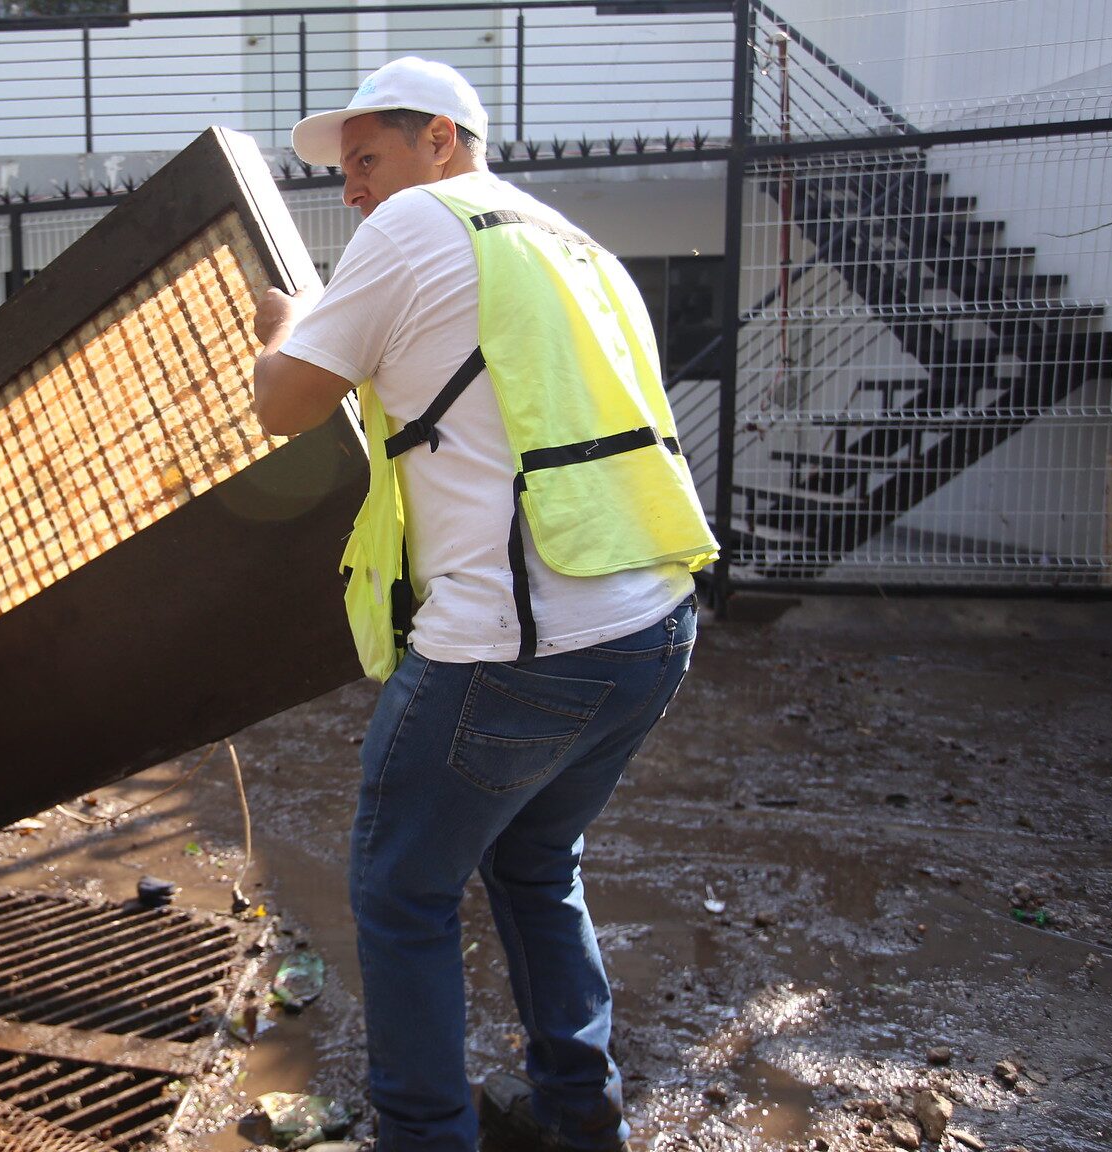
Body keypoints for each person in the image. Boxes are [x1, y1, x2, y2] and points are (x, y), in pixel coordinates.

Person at [249, 58, 719, 1152]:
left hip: (516, 646)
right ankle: (577, 1113)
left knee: (400, 892)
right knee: (535, 862)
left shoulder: (418, 224)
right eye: (345, 171)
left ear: (441, 142)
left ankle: (426, 1137)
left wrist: (284, 320)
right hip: (651, 626)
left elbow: (283, 403)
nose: (352, 188)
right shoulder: (573, 244)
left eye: (366, 158)